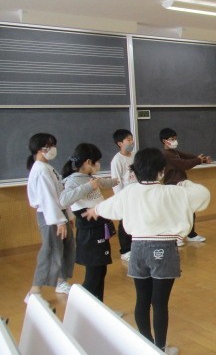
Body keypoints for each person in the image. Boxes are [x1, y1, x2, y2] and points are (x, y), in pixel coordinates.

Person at [86, 147, 210, 355]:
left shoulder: (130, 192)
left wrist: (94, 210)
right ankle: (161, 349)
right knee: (159, 303)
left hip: (138, 249)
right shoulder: (172, 192)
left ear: (135, 171)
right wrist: (184, 183)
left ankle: (147, 345)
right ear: (161, 171)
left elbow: (108, 207)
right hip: (164, 249)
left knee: (142, 299)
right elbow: (203, 194)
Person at [60, 143, 118, 302]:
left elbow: (105, 183)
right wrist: (88, 186)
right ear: (87, 162)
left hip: (99, 227)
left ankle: (99, 308)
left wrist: (119, 180)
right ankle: (80, 307)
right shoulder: (73, 180)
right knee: (93, 275)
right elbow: (64, 200)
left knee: (101, 271)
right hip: (89, 232)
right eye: (96, 161)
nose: (98, 164)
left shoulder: (90, 177)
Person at [24, 133, 75, 305]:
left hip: (59, 213)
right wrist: (59, 221)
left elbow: (59, 194)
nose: (53, 148)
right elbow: (47, 198)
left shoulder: (47, 167)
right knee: (51, 250)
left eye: (53, 144)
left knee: (67, 246)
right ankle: (35, 291)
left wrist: (68, 215)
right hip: (50, 216)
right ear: (40, 149)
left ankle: (61, 281)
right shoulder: (40, 169)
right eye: (50, 145)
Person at [159, 127, 212, 246]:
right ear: (164, 141)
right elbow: (183, 164)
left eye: (175, 138)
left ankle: (191, 234)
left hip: (181, 185)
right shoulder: (165, 154)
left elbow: (188, 156)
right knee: (178, 212)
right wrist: (198, 160)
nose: (175, 141)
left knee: (189, 209)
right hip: (173, 186)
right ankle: (177, 237)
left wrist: (202, 159)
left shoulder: (174, 152)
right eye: (172, 139)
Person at [110, 129, 137, 262]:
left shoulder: (134, 155)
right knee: (125, 222)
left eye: (132, 139)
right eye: (128, 140)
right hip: (125, 197)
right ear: (120, 143)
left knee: (136, 221)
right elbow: (116, 182)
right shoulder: (117, 160)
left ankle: (135, 247)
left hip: (137, 194)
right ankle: (125, 250)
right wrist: (121, 200)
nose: (132, 142)